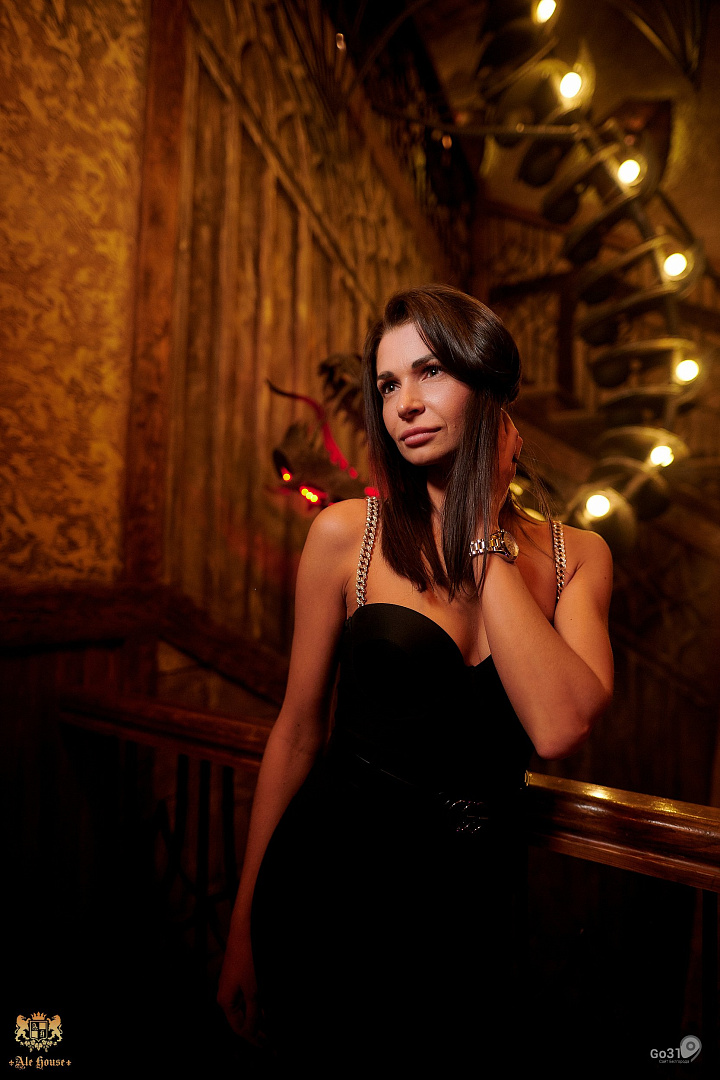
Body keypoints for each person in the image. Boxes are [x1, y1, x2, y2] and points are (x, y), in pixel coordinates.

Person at [218, 284, 613, 1071]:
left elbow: (559, 726)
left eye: (430, 372)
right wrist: (241, 928)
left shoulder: (578, 555)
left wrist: (480, 527)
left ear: (489, 386)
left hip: (471, 903)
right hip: (329, 885)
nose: (403, 403)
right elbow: (297, 733)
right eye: (388, 383)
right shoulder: (347, 535)